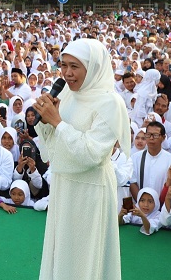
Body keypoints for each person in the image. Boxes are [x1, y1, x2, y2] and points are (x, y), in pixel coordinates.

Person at [33, 38, 129, 280]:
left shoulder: (110, 103)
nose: (67, 73)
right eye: (63, 65)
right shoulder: (66, 94)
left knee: (85, 256)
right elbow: (53, 146)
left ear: (94, 66)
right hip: (64, 183)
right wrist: (45, 122)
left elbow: (92, 154)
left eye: (74, 66)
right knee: (61, 251)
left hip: (90, 189)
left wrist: (57, 121)